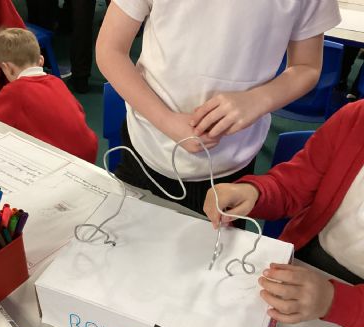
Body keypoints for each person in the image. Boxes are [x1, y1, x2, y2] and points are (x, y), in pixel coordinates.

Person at [96, 1, 341, 215]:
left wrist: (258, 99)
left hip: (230, 164)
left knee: (211, 250)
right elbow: (110, 49)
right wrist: (166, 120)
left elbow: (306, 67)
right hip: (146, 147)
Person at [203, 100, 364, 327]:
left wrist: (333, 301)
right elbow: (292, 184)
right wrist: (255, 192)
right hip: (304, 258)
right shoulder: (355, 119)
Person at [0, 28, 98, 163]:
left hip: (63, 162)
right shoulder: (57, 82)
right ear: (41, 60)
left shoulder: (15, 92)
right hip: (89, 154)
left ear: (7, 67)